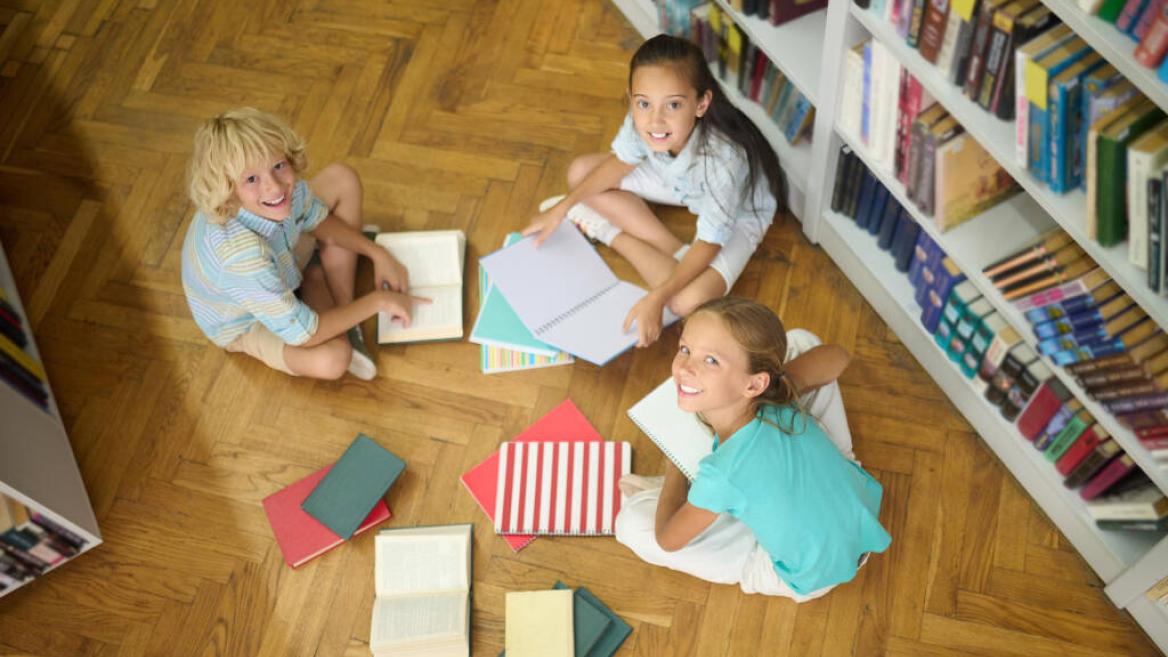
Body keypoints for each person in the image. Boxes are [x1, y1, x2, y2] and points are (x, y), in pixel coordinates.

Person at [614, 297, 891, 600]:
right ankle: (723, 501)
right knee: (800, 341)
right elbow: (838, 356)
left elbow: (667, 540)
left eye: (711, 361)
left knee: (629, 524)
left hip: (809, 574)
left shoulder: (722, 474)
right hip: (860, 513)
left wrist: (673, 468)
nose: (685, 368)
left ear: (755, 385)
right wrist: (788, 382)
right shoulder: (778, 394)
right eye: (685, 349)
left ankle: (702, 501)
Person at [524, 34, 787, 347]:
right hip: (680, 182)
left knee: (686, 302)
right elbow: (621, 163)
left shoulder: (724, 161)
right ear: (632, 97)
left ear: (701, 103)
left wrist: (657, 297)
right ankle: (672, 249)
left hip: (737, 212)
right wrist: (561, 209)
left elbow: (709, 241)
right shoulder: (647, 120)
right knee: (580, 173)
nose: (655, 120)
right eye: (643, 103)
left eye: (673, 105)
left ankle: (607, 232)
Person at [181, 107, 424, 380]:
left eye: (278, 165)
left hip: (277, 257)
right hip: (246, 320)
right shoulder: (242, 258)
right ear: (228, 192)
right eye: (251, 179)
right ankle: (320, 282)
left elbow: (316, 219)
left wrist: (378, 254)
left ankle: (339, 307)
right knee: (332, 360)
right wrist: (378, 301)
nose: (274, 187)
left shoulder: (281, 192)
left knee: (342, 178)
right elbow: (305, 334)